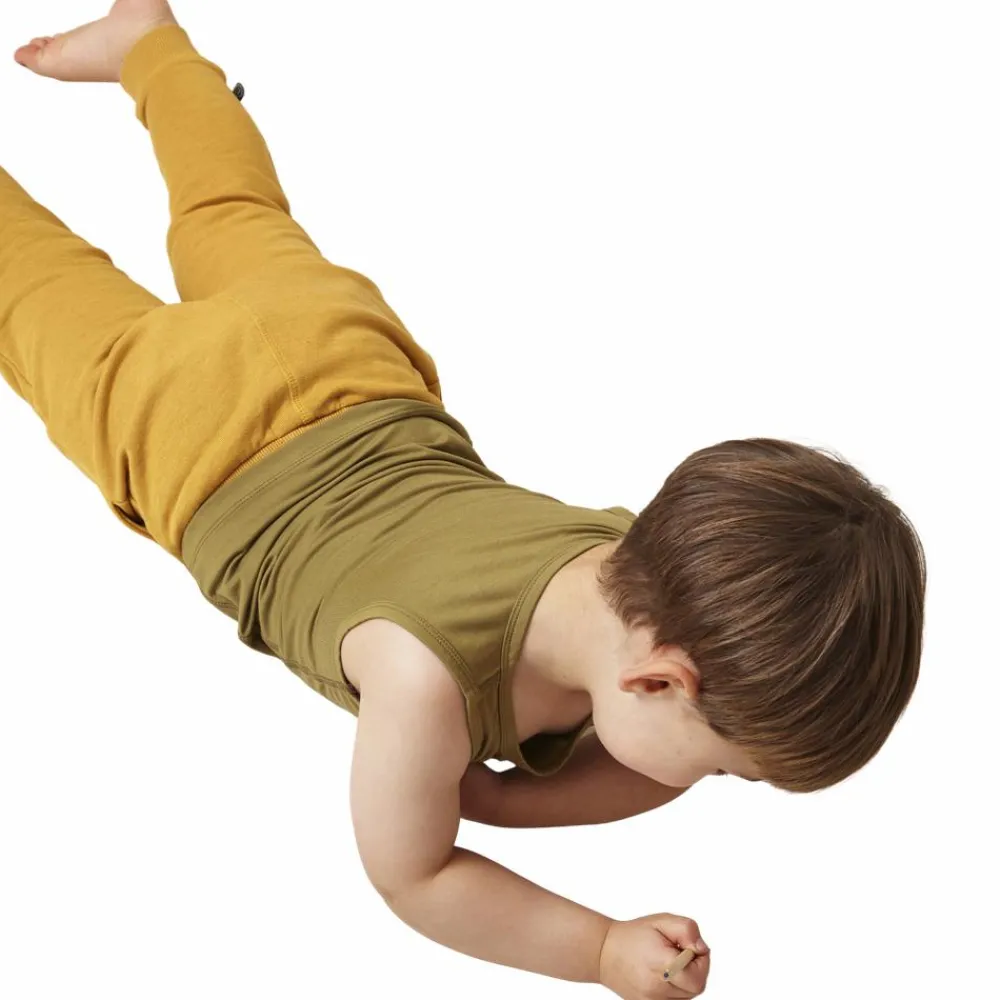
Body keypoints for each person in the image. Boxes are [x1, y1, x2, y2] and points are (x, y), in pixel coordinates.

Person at [2, 3, 926, 997]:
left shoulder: (631, 556)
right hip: (183, 427)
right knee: (25, 279)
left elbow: (643, 751)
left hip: (339, 352)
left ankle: (152, 46)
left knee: (231, 206)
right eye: (723, 769)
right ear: (659, 680)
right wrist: (598, 947)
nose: (693, 782)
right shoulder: (422, 686)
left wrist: (508, 801)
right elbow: (416, 874)